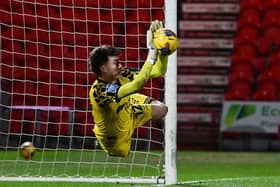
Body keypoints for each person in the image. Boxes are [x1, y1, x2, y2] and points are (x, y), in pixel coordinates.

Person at [88, 20, 169, 157]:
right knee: (118, 153)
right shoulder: (99, 91)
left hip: (127, 111)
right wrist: (152, 51)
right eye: (116, 63)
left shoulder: (122, 73)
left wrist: (163, 52)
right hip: (114, 139)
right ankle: (100, 136)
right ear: (103, 68)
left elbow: (157, 71)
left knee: (162, 109)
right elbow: (136, 85)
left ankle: (129, 113)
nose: (120, 66)